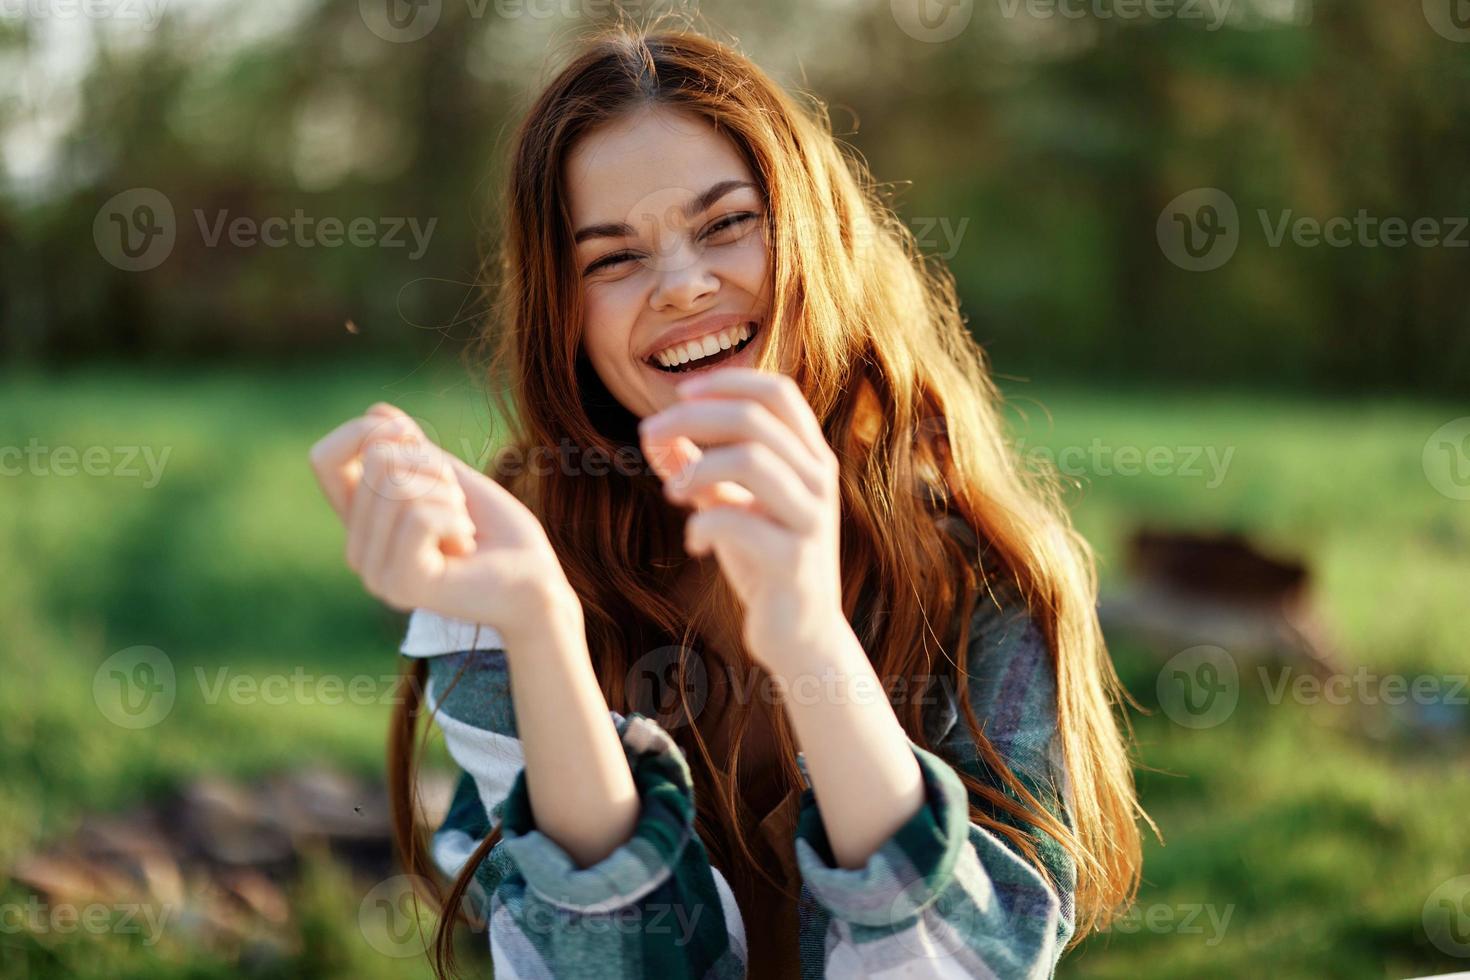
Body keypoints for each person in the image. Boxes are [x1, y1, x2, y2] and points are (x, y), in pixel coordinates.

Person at [309, 23, 1144, 979]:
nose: (685, 286)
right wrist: (539, 630)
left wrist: (807, 635)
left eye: (725, 224)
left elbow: (968, 967)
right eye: (613, 259)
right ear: (564, 313)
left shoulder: (984, 576)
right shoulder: (507, 565)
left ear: (813, 237)